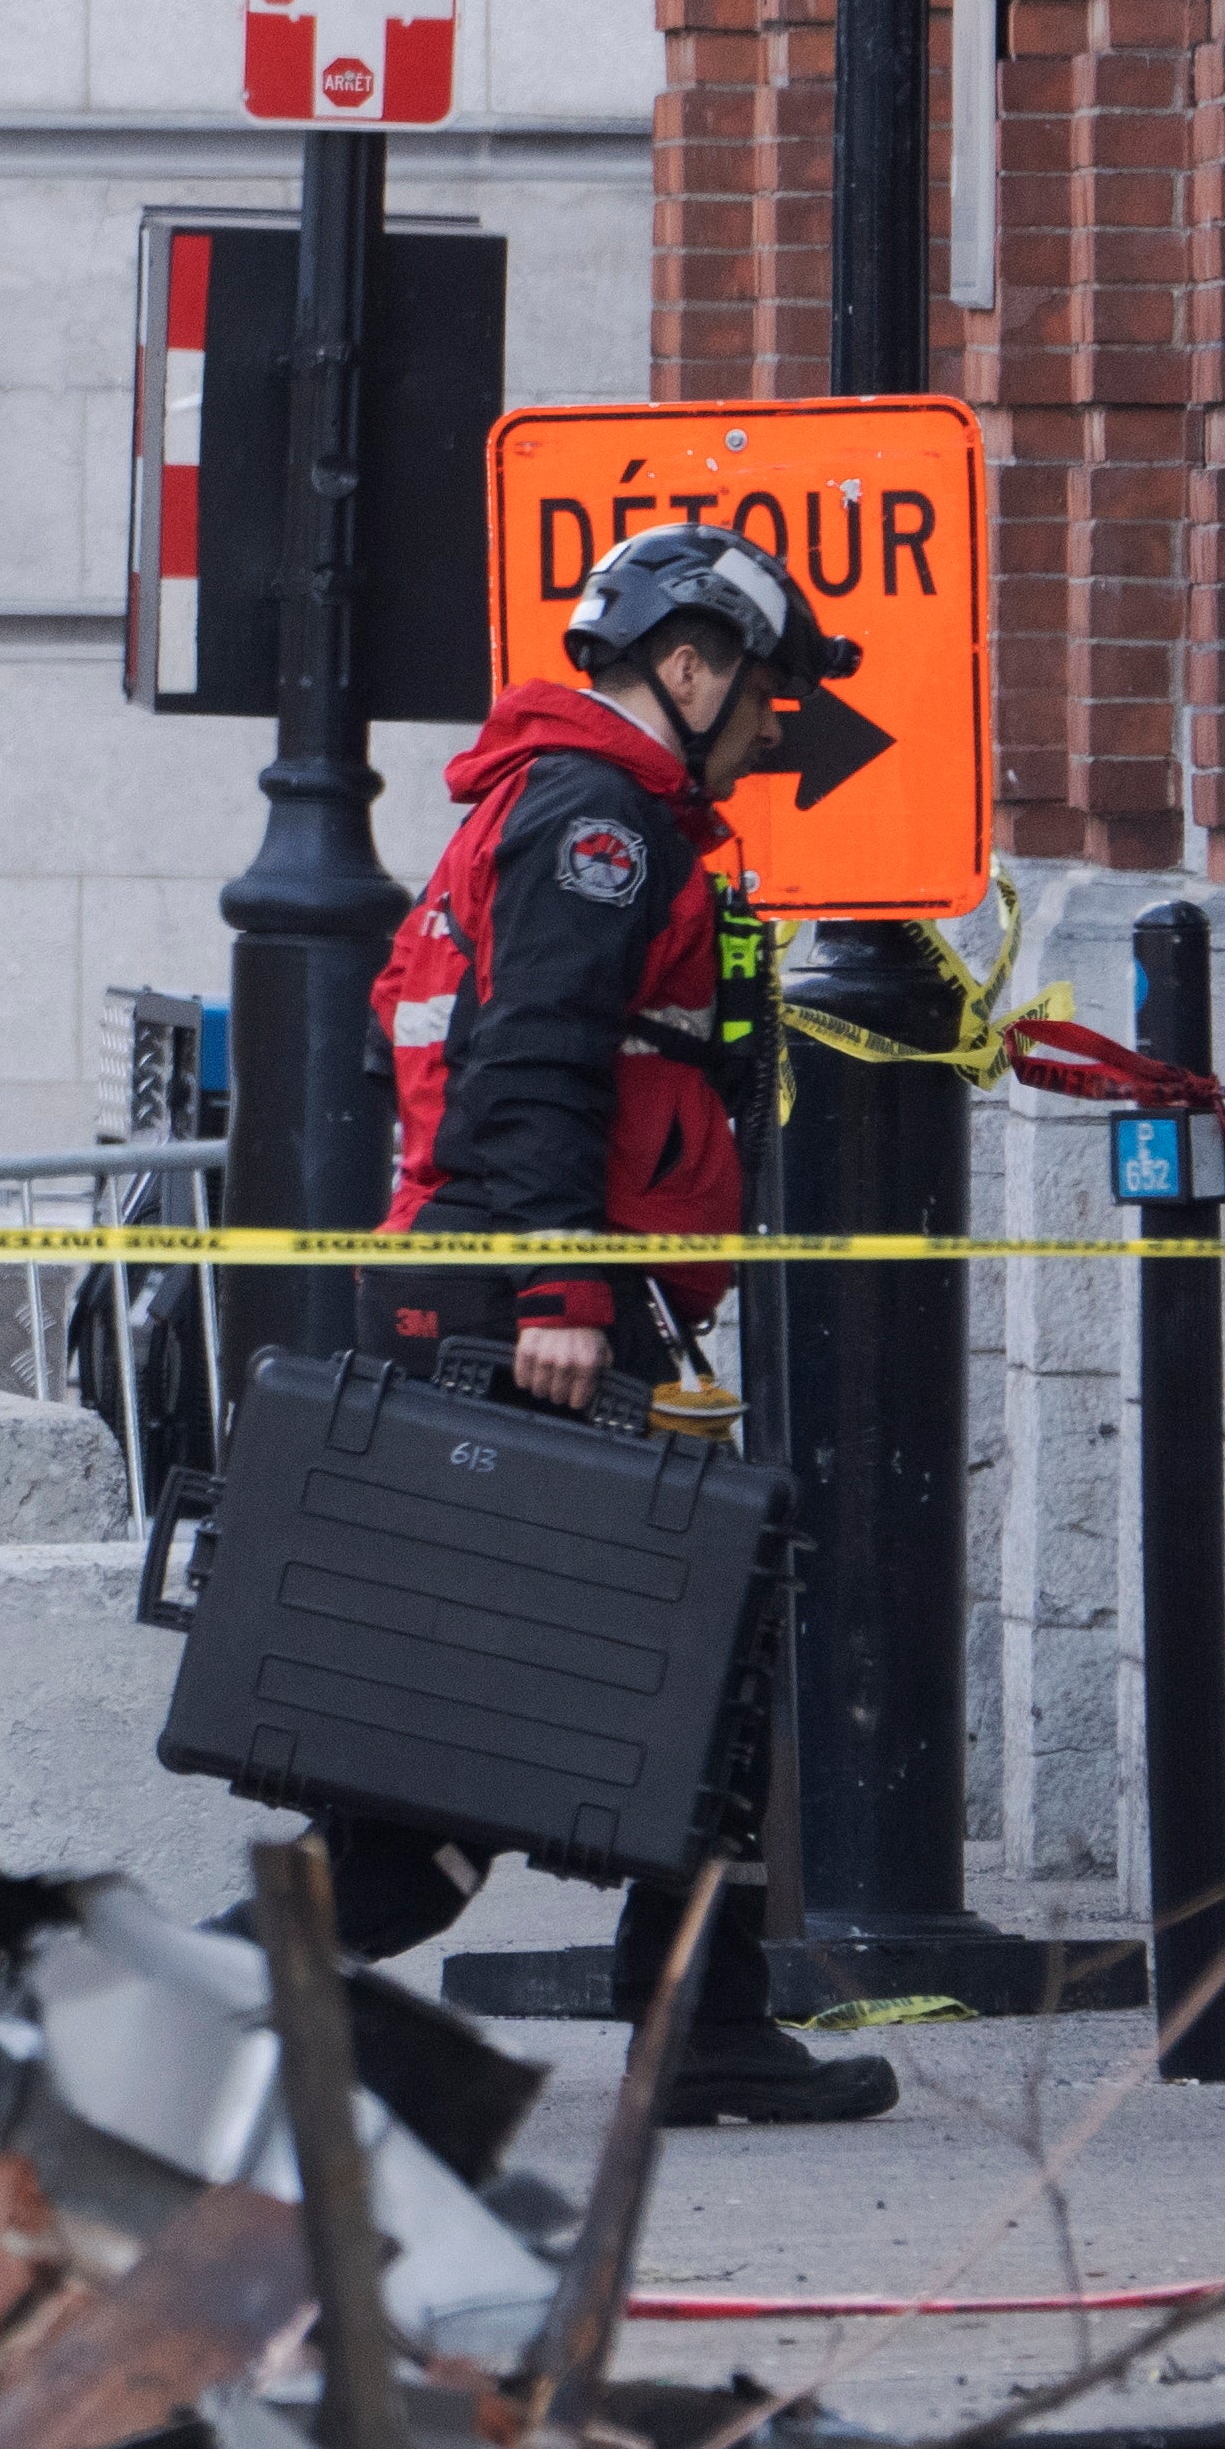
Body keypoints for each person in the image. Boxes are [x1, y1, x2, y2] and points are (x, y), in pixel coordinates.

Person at [312, 522, 898, 2128]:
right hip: (530, 1290)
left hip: (507, 1276)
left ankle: (696, 2017)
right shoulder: (597, 823)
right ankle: (228, 1991)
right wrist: (559, 1294)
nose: (780, 723)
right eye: (766, 688)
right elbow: (534, 1061)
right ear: (689, 667)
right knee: (560, 1683)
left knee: (668, 1654)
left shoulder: (566, 806)